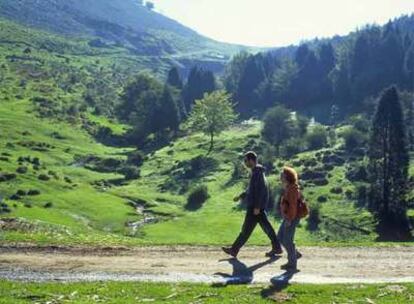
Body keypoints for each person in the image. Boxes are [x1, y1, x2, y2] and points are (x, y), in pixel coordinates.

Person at [222, 151, 282, 258]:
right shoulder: (256, 172)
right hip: (256, 207)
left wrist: (257, 207)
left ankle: (234, 250)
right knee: (265, 228)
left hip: (255, 207)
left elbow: (261, 190)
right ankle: (277, 247)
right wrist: (241, 196)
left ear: (251, 160)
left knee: (247, 230)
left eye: (246, 160)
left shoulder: (257, 173)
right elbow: (251, 190)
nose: (245, 163)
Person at [278, 166, 302, 271]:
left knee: (287, 240)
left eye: (282, 174)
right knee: (280, 237)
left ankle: (292, 264)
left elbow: (292, 206)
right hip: (288, 217)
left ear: (287, 177)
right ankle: (294, 254)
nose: (280, 176)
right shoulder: (289, 187)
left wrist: (289, 219)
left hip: (291, 217)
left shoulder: (292, 189)